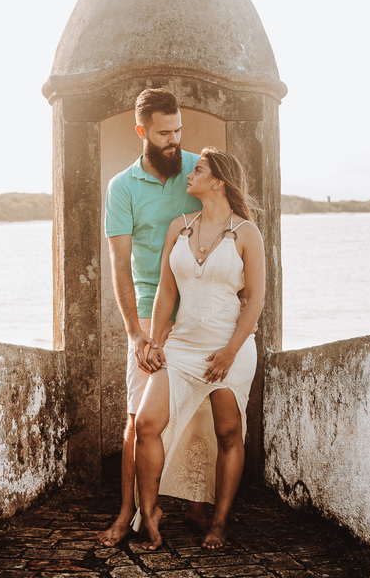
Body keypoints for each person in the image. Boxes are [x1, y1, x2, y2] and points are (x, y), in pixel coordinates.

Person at [134, 147, 264, 551]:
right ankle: (150, 514)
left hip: (229, 348)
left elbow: (256, 300)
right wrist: (156, 341)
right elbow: (165, 291)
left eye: (199, 170)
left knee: (228, 433)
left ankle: (219, 522)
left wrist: (230, 351)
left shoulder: (246, 233)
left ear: (218, 182)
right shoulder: (180, 226)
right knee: (146, 424)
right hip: (183, 345)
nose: (190, 174)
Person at [97, 88, 204, 548]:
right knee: (137, 418)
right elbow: (119, 264)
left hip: (198, 312)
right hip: (146, 314)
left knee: (201, 412)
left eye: (178, 130)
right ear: (141, 131)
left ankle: (198, 505)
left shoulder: (201, 170)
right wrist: (136, 333)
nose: (174, 141)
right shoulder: (121, 187)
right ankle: (128, 512)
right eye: (164, 132)